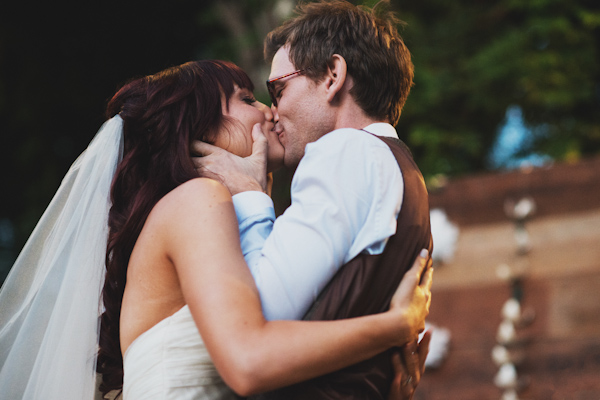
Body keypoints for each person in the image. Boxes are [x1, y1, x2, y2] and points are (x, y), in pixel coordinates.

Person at [0, 60, 432, 400]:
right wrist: (395, 326)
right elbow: (248, 362)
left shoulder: (232, 222)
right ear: (200, 126)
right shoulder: (197, 202)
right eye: (247, 98)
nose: (269, 109)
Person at [192, 1, 433, 399]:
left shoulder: (345, 153)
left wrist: (250, 197)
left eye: (278, 88)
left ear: (333, 76)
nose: (273, 110)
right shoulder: (403, 172)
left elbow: (258, 318)